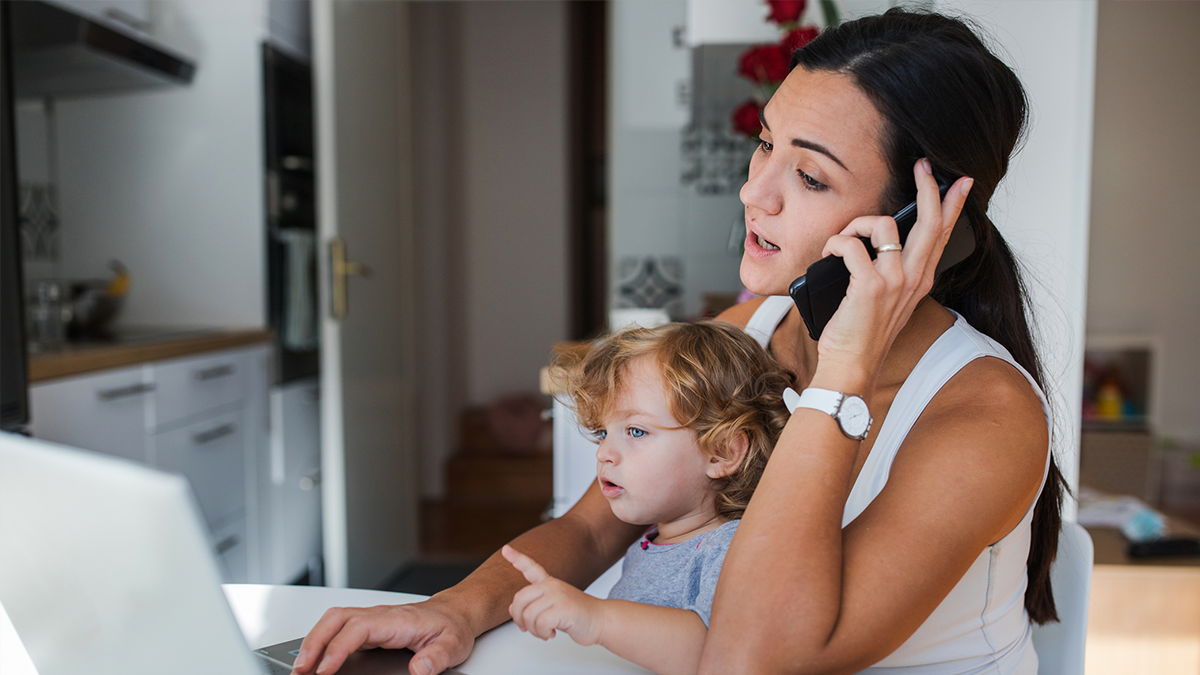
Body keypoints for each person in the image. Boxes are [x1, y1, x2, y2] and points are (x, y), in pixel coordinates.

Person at [290, 9, 1064, 675]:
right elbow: (595, 525)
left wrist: (843, 375)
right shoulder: (747, 337)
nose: (754, 191)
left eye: (812, 178)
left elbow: (750, 658)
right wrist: (455, 609)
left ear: (925, 228)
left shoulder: (983, 420)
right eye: (766, 145)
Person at [500, 321, 792, 675]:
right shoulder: (654, 539)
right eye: (603, 432)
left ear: (721, 452)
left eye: (636, 431)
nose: (604, 452)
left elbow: (720, 650)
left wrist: (596, 618)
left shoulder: (732, 549)